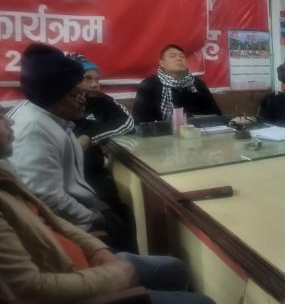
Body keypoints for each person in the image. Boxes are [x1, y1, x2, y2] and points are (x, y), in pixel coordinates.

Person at [0, 112, 214, 304]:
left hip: (79, 258)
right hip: (70, 282)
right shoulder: (32, 130)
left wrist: (97, 248)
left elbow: (52, 221)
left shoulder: (4, 173)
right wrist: (116, 276)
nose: (10, 120)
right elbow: (30, 288)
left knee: (175, 268)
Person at [8, 44, 131, 250]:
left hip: (79, 209)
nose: (83, 101)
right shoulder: (32, 131)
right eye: (76, 95)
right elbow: (46, 198)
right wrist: (95, 217)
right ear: (54, 96)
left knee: (122, 214)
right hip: (65, 230)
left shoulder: (55, 119)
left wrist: (98, 207)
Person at [69, 53, 134, 203]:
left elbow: (127, 123)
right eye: (87, 78)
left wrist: (90, 137)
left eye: (97, 79)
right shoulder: (58, 104)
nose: (94, 84)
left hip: (92, 172)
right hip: (62, 175)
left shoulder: (103, 101)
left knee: (116, 206)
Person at [133, 44, 221, 123]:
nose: (179, 59)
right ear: (162, 63)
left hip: (197, 132)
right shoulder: (149, 85)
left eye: (182, 56)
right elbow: (140, 120)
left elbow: (216, 114)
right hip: (161, 134)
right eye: (172, 56)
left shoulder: (198, 84)